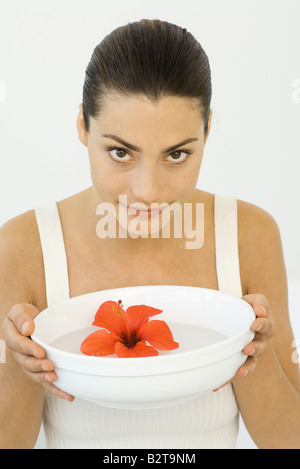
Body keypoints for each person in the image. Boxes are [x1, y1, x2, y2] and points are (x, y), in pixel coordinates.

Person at [0, 18, 299, 450]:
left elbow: (286, 441)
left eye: (177, 154)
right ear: (83, 126)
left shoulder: (250, 236)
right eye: (120, 152)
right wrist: (18, 363)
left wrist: (257, 351)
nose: (148, 192)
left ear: (207, 130)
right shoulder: (23, 246)